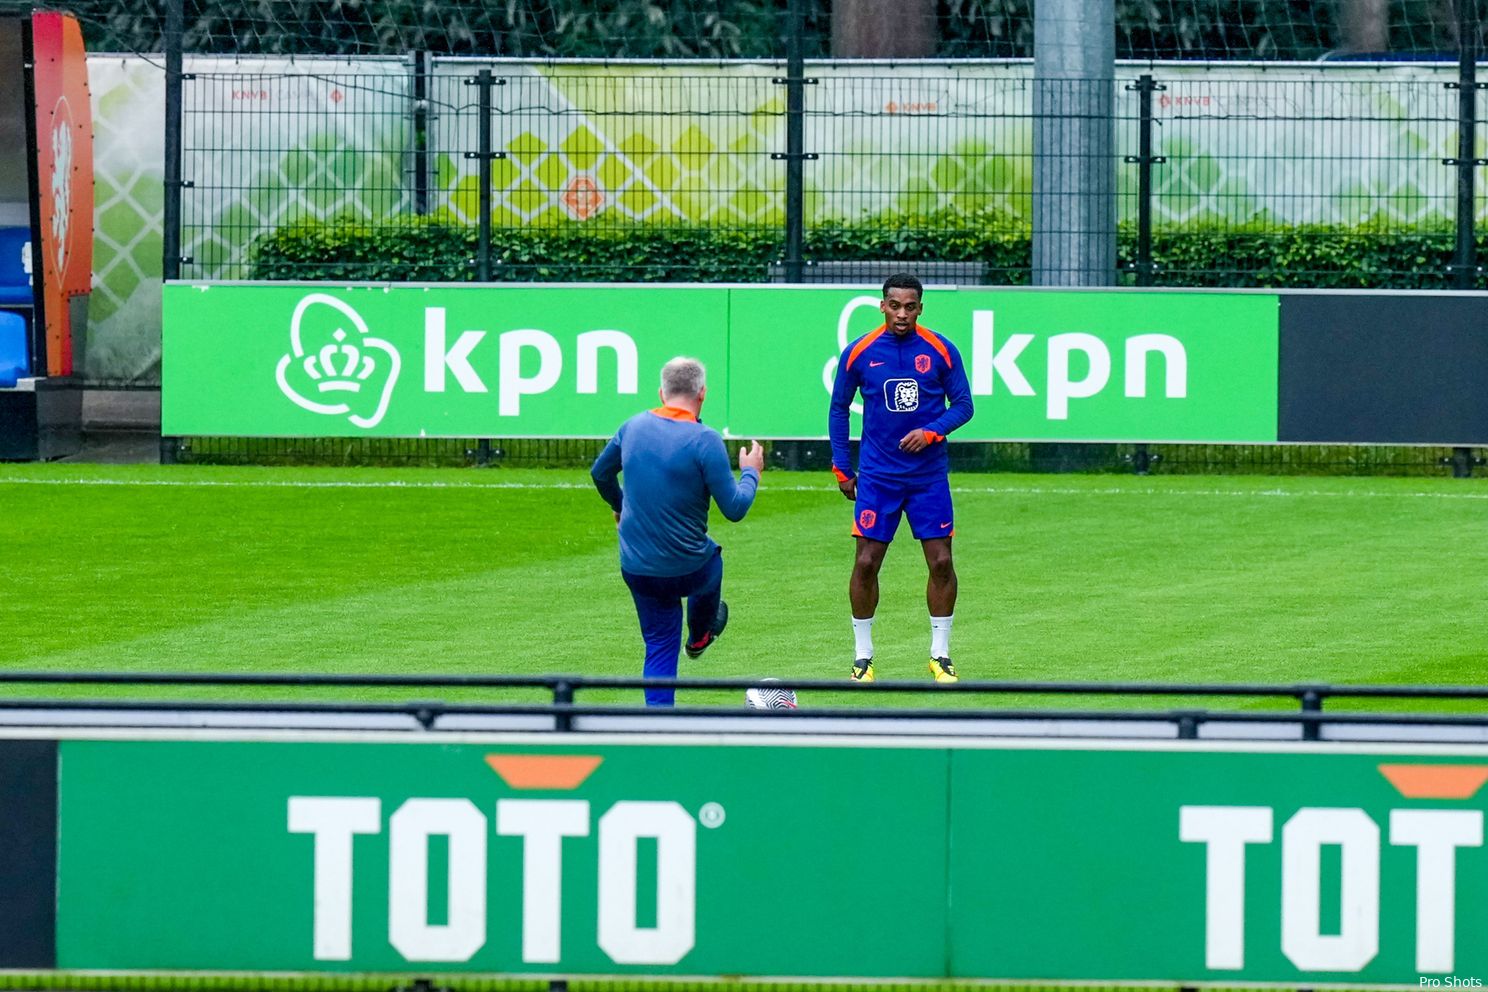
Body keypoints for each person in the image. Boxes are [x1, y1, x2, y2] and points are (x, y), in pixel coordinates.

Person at [592, 356, 764, 707]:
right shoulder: (705, 440)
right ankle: (700, 634)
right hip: (689, 570)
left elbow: (599, 473)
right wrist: (751, 472)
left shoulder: (632, 427)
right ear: (703, 394)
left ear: (661, 392)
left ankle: (658, 726)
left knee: (658, 644)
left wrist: (621, 505)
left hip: (638, 569)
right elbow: (734, 508)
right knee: (712, 559)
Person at [828, 272, 974, 684]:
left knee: (942, 561)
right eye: (895, 305)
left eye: (910, 307)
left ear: (920, 308)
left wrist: (932, 431)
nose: (902, 314)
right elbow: (839, 408)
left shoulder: (942, 350)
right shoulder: (859, 352)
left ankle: (940, 656)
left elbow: (964, 405)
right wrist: (843, 466)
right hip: (877, 476)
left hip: (928, 477)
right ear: (882, 305)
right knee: (867, 563)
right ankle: (863, 657)